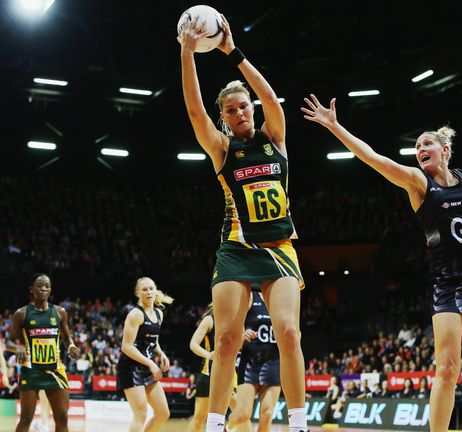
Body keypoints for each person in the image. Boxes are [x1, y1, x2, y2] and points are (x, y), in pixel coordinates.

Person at [301, 95, 462, 432]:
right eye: (416, 146)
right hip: (448, 280)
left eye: (426, 144)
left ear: (444, 150)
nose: (419, 149)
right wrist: (336, 127)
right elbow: (374, 159)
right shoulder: (419, 183)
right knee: (447, 368)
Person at [179, 14, 307, 432]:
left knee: (289, 333)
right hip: (236, 250)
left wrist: (232, 52)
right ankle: (216, 425)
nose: (240, 112)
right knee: (227, 341)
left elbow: (271, 98)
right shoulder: (221, 149)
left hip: (279, 249)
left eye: (244, 106)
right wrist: (187, 53)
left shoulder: (275, 139)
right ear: (226, 119)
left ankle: (299, 422)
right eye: (231, 110)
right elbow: (196, 112)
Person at [9, 273, 80, 432]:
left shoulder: (60, 312)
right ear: (31, 290)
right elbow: (9, 341)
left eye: (47, 286)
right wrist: (18, 348)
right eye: (39, 285)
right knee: (26, 418)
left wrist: (71, 347)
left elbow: (67, 338)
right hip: (31, 370)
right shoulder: (22, 314)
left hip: (55, 370)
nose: (43, 289)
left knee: (62, 417)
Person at [118, 277, 173, 432]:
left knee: (163, 413)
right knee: (141, 414)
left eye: (151, 288)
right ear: (138, 293)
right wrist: (150, 363)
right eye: (144, 289)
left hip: (146, 366)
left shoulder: (159, 314)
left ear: (156, 290)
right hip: (130, 367)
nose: (149, 292)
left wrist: (161, 353)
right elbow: (126, 346)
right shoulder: (135, 314)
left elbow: (153, 342)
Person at [229, 290, 282, 432]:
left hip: (274, 363)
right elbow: (235, 338)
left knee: (267, 415)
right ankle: (225, 428)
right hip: (250, 363)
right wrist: (242, 335)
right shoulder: (252, 297)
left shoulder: (281, 299)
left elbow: (296, 334)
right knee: (242, 414)